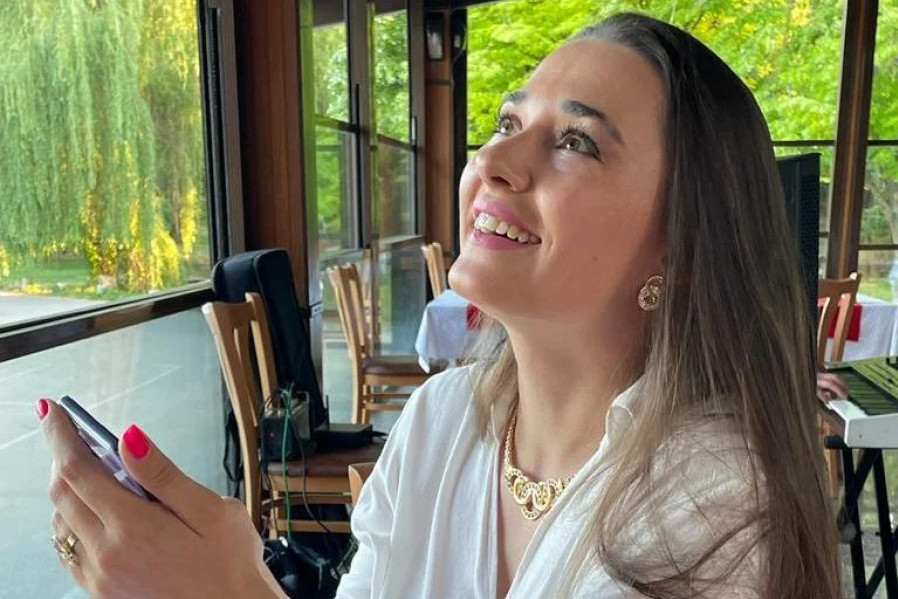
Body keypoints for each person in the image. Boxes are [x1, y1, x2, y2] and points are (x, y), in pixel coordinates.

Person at [38, 12, 840, 599]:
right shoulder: (441, 418)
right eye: (507, 122)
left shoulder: (719, 498)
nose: (493, 159)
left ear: (680, 244)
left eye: (576, 141)